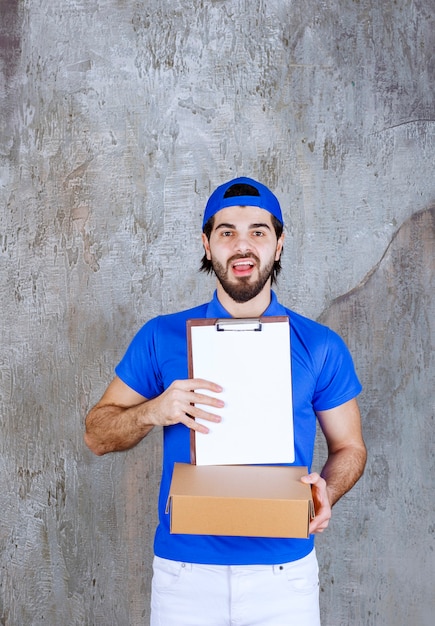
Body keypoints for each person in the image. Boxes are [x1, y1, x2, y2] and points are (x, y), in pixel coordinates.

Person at [84, 176, 367, 626]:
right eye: (227, 232)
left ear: (279, 244)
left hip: (284, 575)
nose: (243, 246)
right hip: (185, 574)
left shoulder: (319, 345)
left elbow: (350, 447)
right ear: (206, 244)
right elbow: (97, 434)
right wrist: (154, 410)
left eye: (258, 231)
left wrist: (325, 493)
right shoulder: (161, 336)